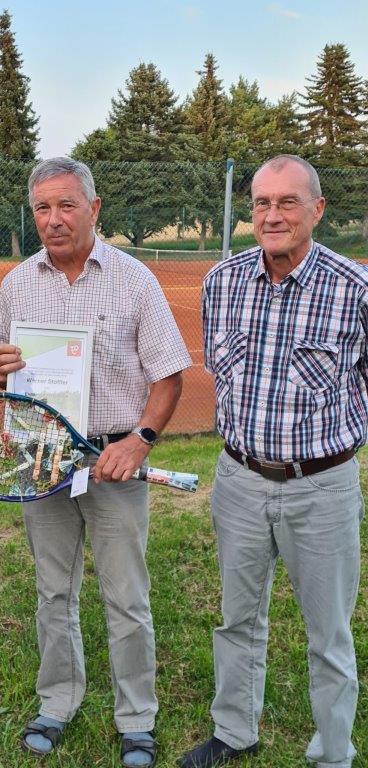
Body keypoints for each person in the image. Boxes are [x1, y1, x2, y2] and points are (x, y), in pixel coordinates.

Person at [0, 157, 191, 767]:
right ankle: (57, 702)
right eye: (42, 208)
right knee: (53, 592)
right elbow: (7, 374)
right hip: (43, 461)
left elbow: (169, 374)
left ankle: (137, 718)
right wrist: (2, 376)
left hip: (114, 461)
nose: (53, 219)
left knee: (127, 597)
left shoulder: (134, 280)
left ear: (94, 209)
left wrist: (139, 441)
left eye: (66, 205)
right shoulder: (18, 283)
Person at [179, 154, 367, 768]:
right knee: (237, 619)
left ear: (317, 209)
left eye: (288, 202)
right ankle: (234, 731)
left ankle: (333, 752)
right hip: (238, 480)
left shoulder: (354, 290)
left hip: (322, 486)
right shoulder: (222, 282)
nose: (273, 215)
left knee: (329, 634)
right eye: (262, 203)